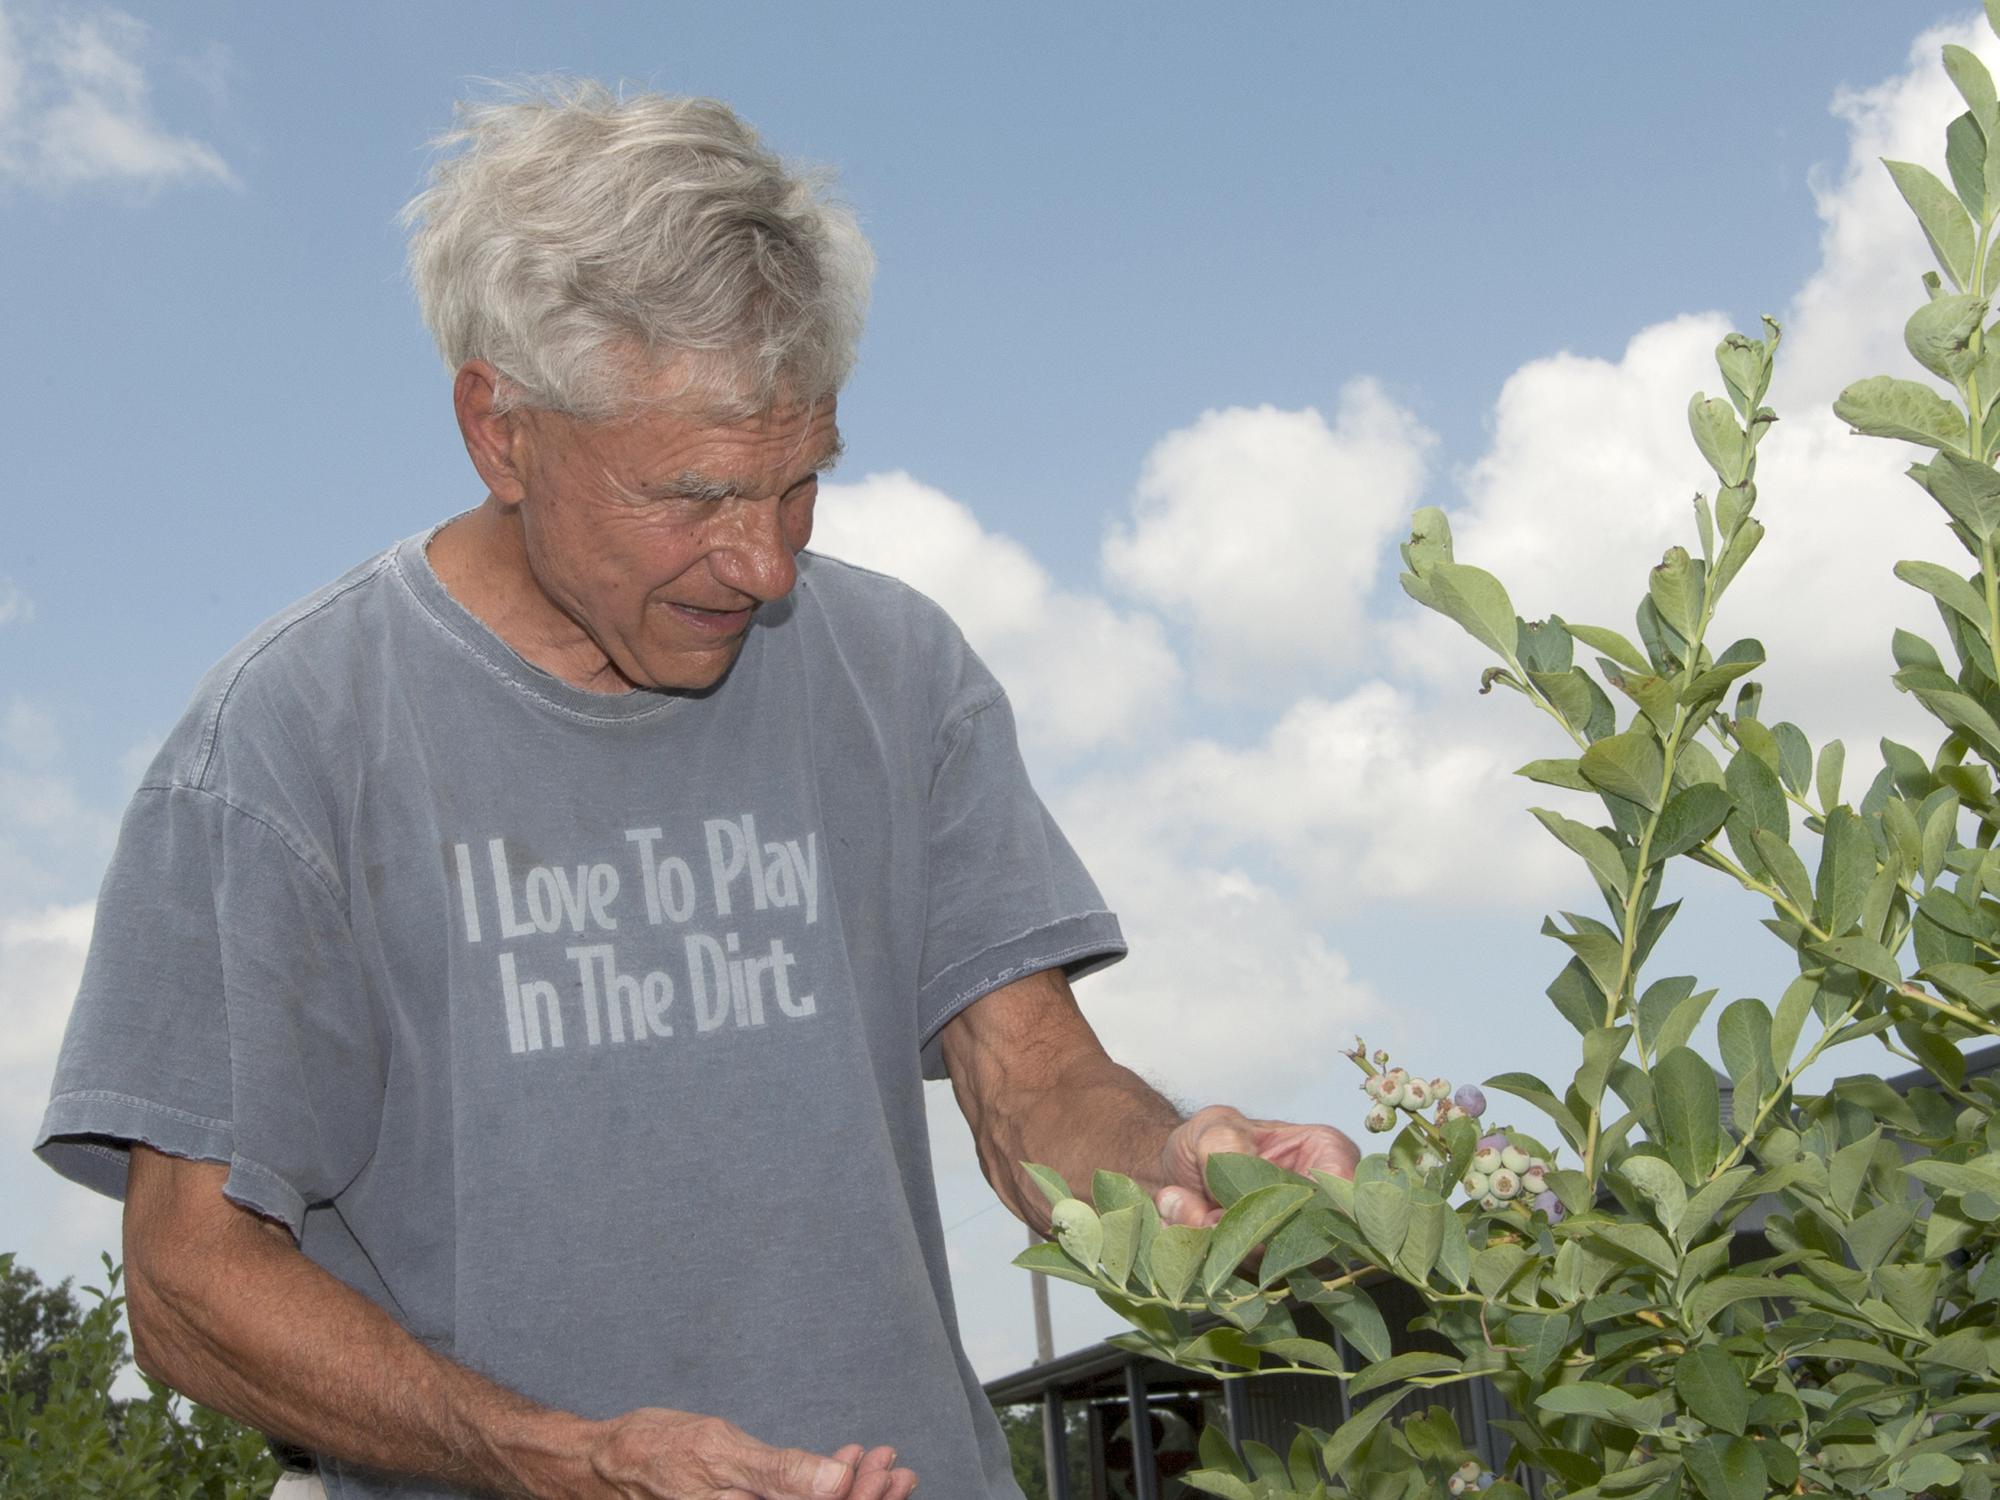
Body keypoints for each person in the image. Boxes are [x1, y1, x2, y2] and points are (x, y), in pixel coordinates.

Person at [35, 83, 1357, 1500]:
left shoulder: (900, 674)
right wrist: (563, 1458)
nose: (766, 565)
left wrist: (1175, 1165)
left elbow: (1032, 1085)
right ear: (502, 429)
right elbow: (188, 1284)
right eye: (691, 496)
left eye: (798, 484)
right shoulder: (284, 748)